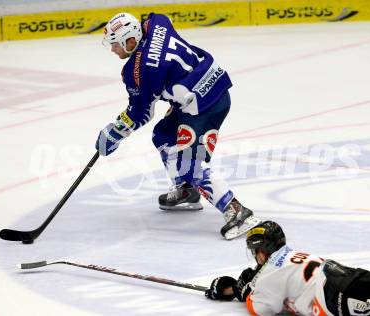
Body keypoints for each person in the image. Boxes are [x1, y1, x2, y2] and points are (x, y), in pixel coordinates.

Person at [95, 12, 262, 239]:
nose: (113, 50)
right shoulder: (157, 23)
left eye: (115, 45)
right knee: (164, 135)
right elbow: (158, 21)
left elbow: (140, 113)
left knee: (187, 162)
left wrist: (114, 132)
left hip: (204, 106)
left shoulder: (140, 72)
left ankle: (237, 211)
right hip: (207, 87)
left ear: (130, 40)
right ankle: (187, 190)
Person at [205, 220, 370, 315]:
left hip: (337, 298)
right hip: (354, 275)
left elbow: (263, 309)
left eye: (255, 251)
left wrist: (246, 292)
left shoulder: (269, 274)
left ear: (262, 251)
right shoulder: (293, 254)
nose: (255, 257)